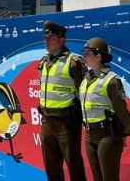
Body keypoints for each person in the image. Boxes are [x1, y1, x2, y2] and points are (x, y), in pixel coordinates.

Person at [38, 20, 86, 181]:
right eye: (45, 38)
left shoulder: (74, 62)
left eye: (50, 38)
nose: (46, 41)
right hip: (47, 121)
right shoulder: (44, 62)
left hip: (67, 122)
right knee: (51, 167)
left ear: (61, 40)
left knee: (74, 166)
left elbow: (85, 92)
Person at [79, 38, 130, 181]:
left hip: (107, 135)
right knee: (97, 178)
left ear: (98, 57)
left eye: (87, 53)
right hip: (89, 135)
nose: (84, 56)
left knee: (109, 178)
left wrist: (124, 133)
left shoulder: (112, 80)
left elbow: (121, 110)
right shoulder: (86, 79)